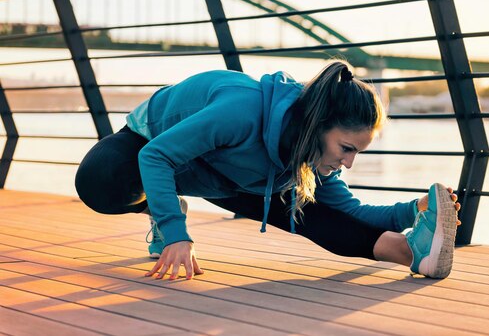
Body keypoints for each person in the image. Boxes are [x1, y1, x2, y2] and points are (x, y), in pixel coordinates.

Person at [75, 61, 461, 281]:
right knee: (98, 181)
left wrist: (416, 209)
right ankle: (161, 210)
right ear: (319, 124)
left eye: (356, 152)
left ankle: (413, 251)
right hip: (152, 143)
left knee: (316, 216)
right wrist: (175, 232)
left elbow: (351, 212)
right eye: (346, 148)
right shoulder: (241, 112)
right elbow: (156, 157)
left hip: (230, 176)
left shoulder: (311, 156)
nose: (348, 162)